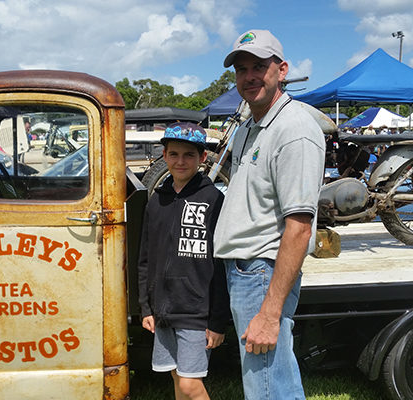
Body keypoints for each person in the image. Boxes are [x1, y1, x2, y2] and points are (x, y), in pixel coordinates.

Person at [215, 29, 325, 399]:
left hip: (262, 271)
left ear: (282, 70)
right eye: (241, 69)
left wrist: (269, 312)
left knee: (267, 387)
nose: (249, 76)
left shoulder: (294, 130)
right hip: (245, 270)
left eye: (259, 67)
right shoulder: (250, 124)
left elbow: (300, 227)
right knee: (267, 381)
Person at [138, 122, 230, 400]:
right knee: (177, 379)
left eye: (189, 155)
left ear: (203, 158)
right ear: (164, 156)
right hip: (163, 311)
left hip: (196, 311)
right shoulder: (156, 201)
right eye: (174, 154)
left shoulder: (213, 200)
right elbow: (145, 258)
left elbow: (222, 265)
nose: (181, 161)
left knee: (191, 385)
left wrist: (217, 320)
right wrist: (146, 307)